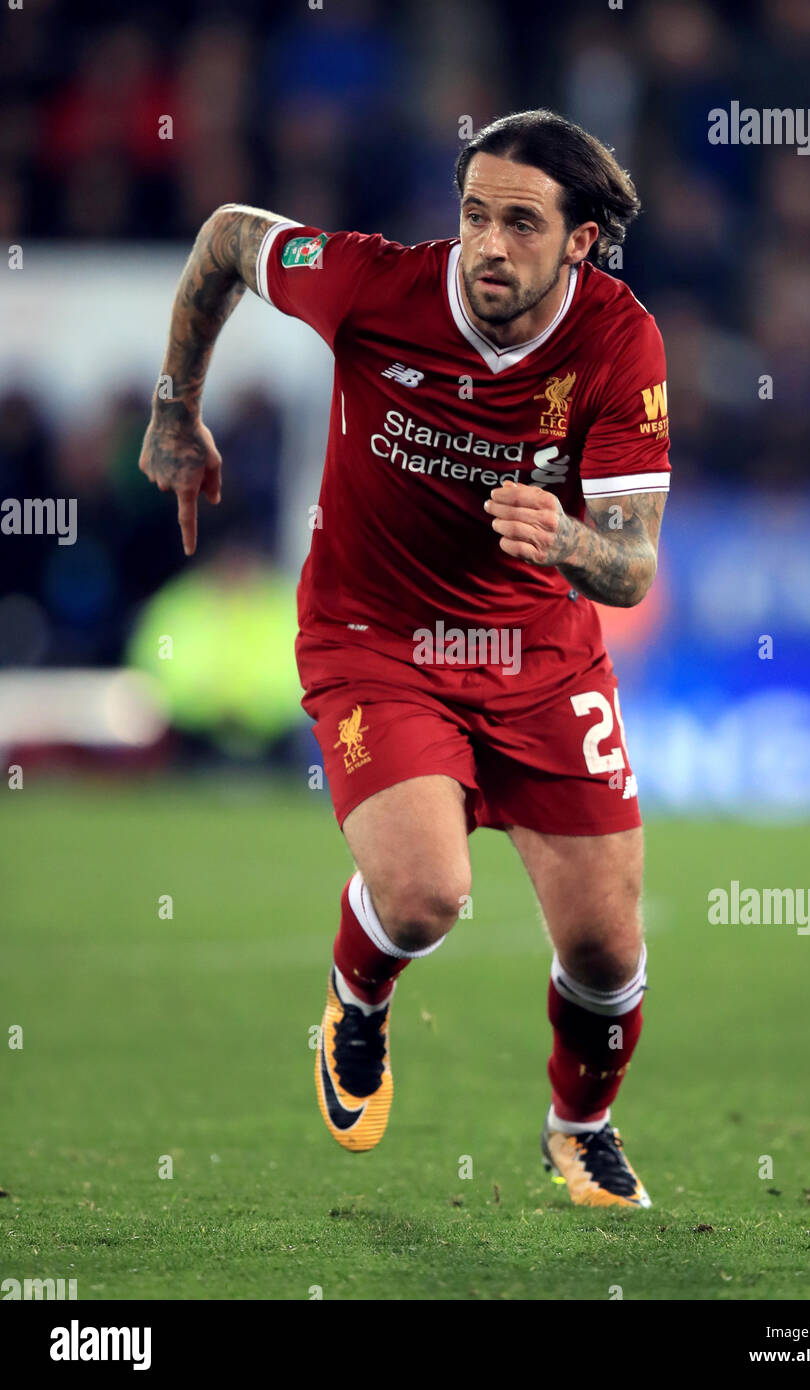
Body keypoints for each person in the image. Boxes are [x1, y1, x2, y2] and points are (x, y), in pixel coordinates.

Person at [139, 110, 670, 1208]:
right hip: (375, 638)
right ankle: (358, 999)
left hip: (539, 657)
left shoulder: (621, 343)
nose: (487, 244)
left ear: (579, 241)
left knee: (607, 953)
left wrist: (567, 540)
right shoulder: (370, 285)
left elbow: (630, 569)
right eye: (474, 213)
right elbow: (231, 237)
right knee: (426, 895)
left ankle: (580, 1126)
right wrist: (175, 408)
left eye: (521, 223)